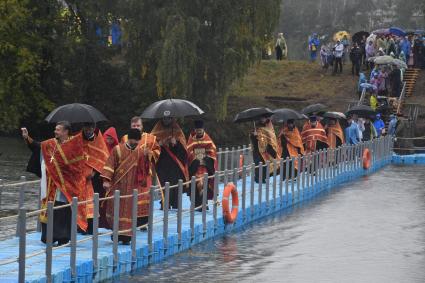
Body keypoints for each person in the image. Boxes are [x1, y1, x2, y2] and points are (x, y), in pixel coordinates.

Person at [22, 122, 87, 245]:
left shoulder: (74, 145)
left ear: (65, 131)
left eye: (58, 130)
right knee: (49, 208)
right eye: (55, 129)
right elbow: (37, 147)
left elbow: (78, 166)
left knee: (63, 209)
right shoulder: (50, 144)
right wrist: (27, 137)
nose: (55, 131)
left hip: (66, 184)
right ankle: (49, 237)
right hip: (50, 183)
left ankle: (63, 237)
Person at [101, 129, 150, 244]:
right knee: (115, 210)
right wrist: (106, 180)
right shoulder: (117, 149)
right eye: (135, 140)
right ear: (129, 139)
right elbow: (109, 165)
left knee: (129, 212)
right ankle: (116, 234)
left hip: (132, 187)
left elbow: (143, 170)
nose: (137, 143)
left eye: (138, 141)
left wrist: (147, 157)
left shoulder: (140, 152)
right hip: (117, 185)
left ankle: (127, 236)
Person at [79, 123, 110, 234]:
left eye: (91, 127)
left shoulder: (98, 142)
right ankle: (81, 227)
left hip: (95, 178)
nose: (89, 130)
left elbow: (104, 158)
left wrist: (95, 171)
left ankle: (92, 228)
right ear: (83, 128)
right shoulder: (78, 139)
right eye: (86, 127)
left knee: (93, 203)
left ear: (94, 128)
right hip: (81, 177)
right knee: (80, 202)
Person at [151, 117, 188, 208]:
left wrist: (176, 143)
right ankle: (164, 203)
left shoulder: (176, 129)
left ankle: (175, 204)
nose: (166, 120)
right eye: (164, 118)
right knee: (164, 183)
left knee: (175, 183)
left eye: (168, 119)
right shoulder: (157, 129)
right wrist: (160, 143)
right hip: (162, 162)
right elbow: (150, 143)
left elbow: (183, 147)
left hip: (174, 163)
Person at [187, 120, 217, 208]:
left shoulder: (207, 138)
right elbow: (188, 151)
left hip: (205, 165)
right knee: (194, 183)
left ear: (203, 129)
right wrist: (195, 159)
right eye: (197, 130)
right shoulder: (191, 139)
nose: (199, 132)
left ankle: (204, 204)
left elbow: (212, 151)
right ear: (195, 130)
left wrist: (205, 158)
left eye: (200, 130)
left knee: (204, 182)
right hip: (194, 165)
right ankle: (196, 204)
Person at [250, 115, 280, 183]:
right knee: (258, 164)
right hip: (257, 150)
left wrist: (269, 146)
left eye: (264, 118)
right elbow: (253, 140)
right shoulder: (256, 128)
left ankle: (264, 178)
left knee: (265, 164)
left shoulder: (269, 127)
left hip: (266, 150)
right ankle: (258, 179)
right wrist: (254, 136)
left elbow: (272, 139)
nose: (263, 119)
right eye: (261, 118)